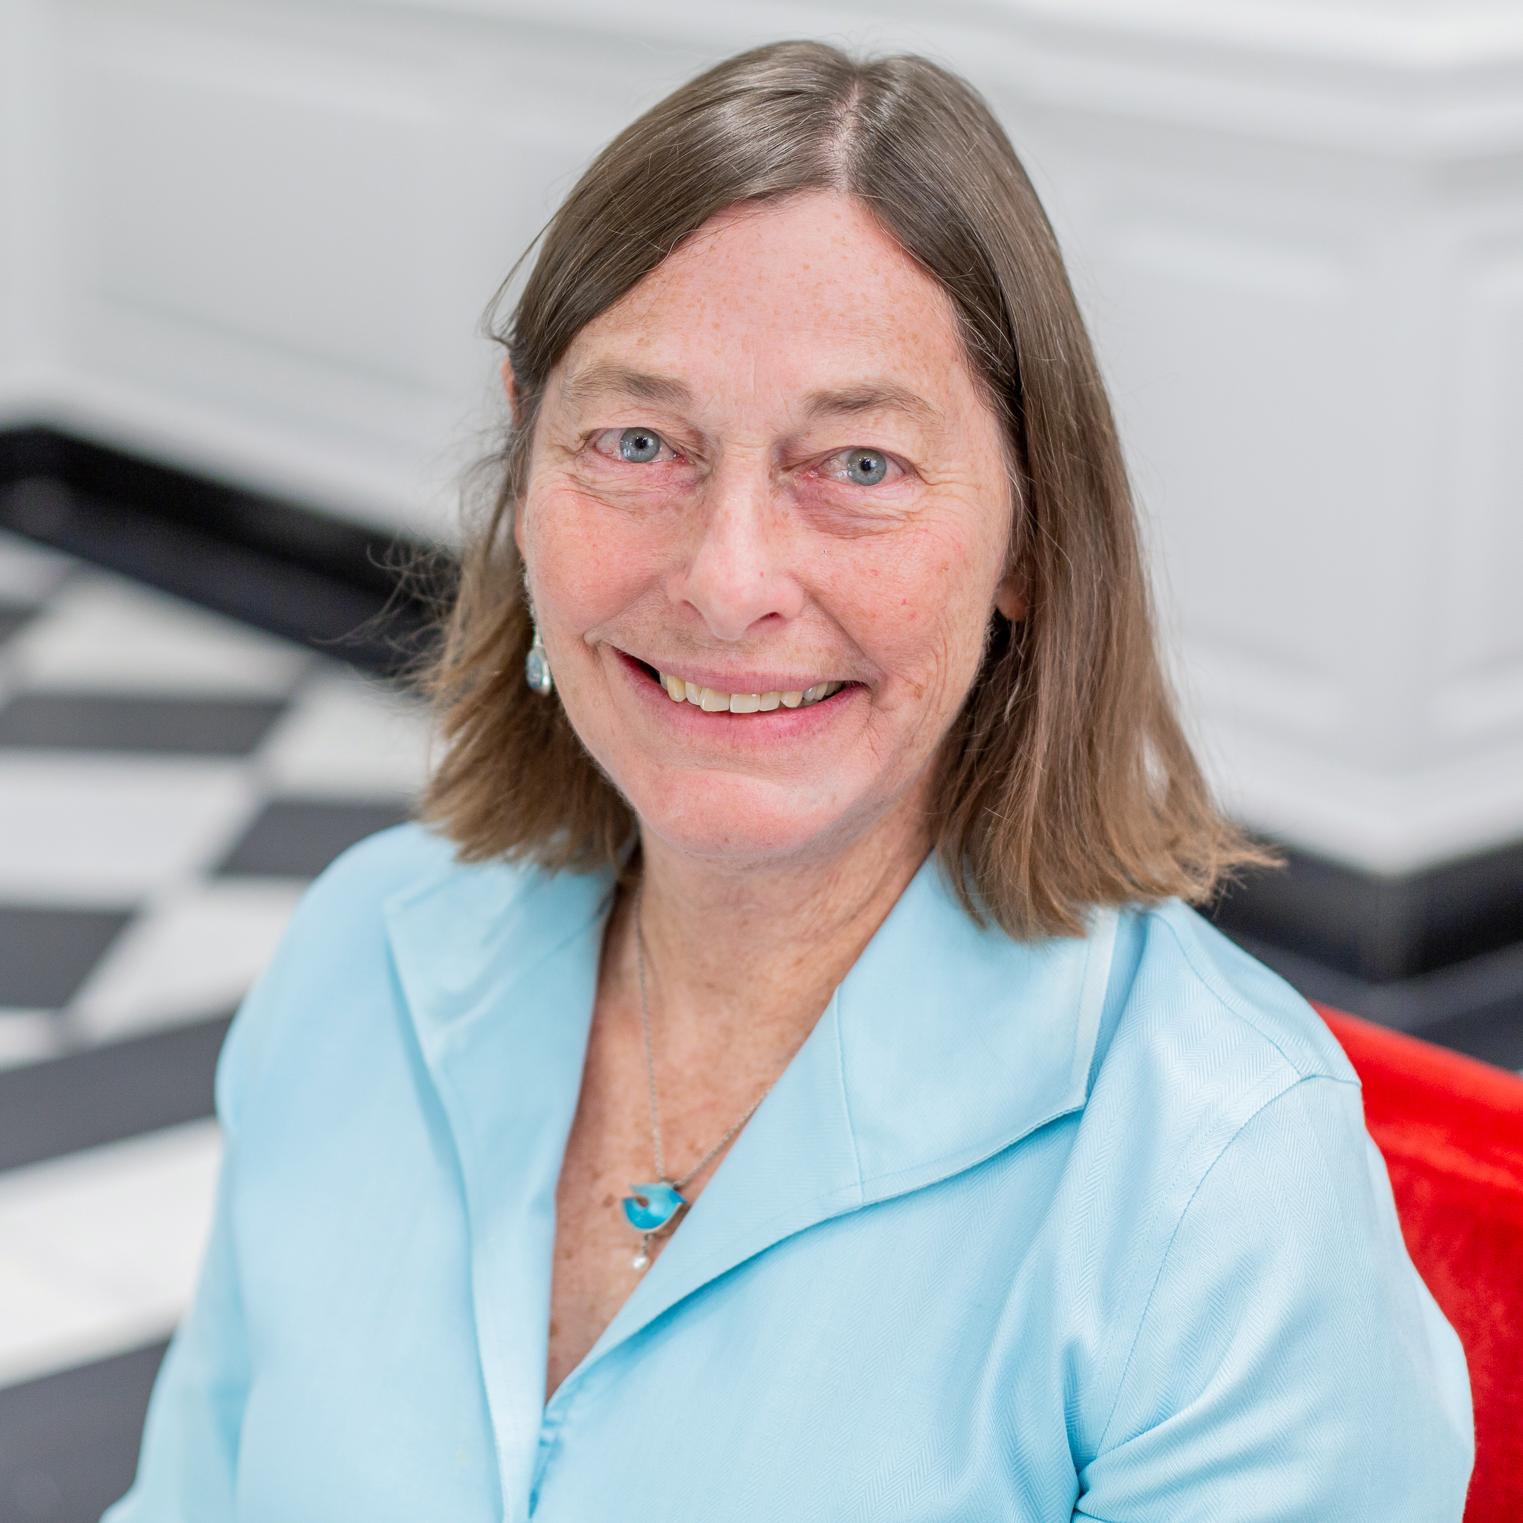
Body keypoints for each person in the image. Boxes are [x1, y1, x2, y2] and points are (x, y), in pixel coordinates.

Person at [102, 37, 1474, 1522]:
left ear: (1027, 535)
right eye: (639, 444)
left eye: (860, 466)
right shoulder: (359, 956)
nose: (729, 579)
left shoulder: (1223, 1185)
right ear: (523, 473)